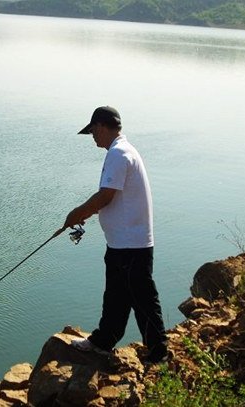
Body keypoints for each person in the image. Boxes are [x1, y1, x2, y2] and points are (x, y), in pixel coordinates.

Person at [63, 105, 168, 363]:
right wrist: (88, 212)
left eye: (92, 132)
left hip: (132, 244)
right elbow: (111, 198)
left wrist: (77, 213)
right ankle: (103, 340)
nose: (93, 138)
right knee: (116, 298)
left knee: (142, 298)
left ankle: (159, 353)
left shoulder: (119, 154)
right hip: (122, 243)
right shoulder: (121, 151)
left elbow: (105, 196)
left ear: (101, 126)